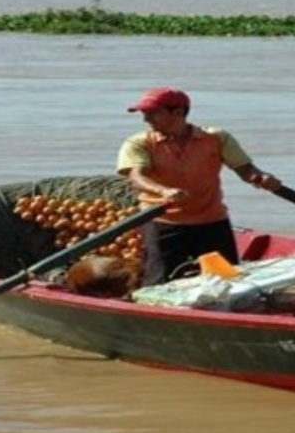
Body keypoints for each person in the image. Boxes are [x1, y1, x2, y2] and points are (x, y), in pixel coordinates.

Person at [116, 87, 282, 286]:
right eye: (144, 114)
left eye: (153, 113)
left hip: (211, 219)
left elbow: (245, 169)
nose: (146, 119)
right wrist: (163, 191)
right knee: (159, 282)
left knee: (226, 282)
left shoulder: (216, 138)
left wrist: (260, 177)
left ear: (178, 112)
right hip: (163, 220)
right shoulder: (139, 143)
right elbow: (136, 176)